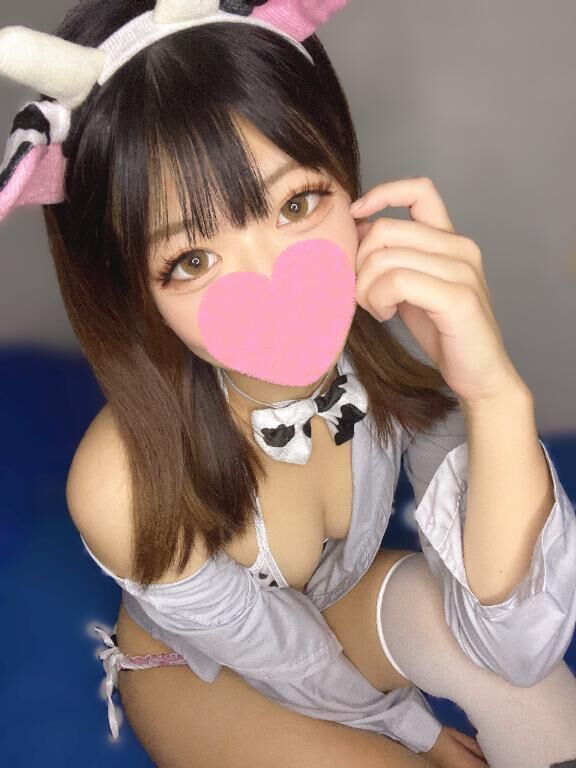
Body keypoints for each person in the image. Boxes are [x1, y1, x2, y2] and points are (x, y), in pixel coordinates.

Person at [1, 2, 576, 767]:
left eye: (297, 204)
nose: (273, 282)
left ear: (346, 172)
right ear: (132, 288)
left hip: (338, 606)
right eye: (192, 260)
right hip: (206, 677)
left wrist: (494, 390)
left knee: (545, 705)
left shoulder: (393, 324)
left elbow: (518, 647)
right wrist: (415, 730)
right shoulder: (120, 484)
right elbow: (289, 662)